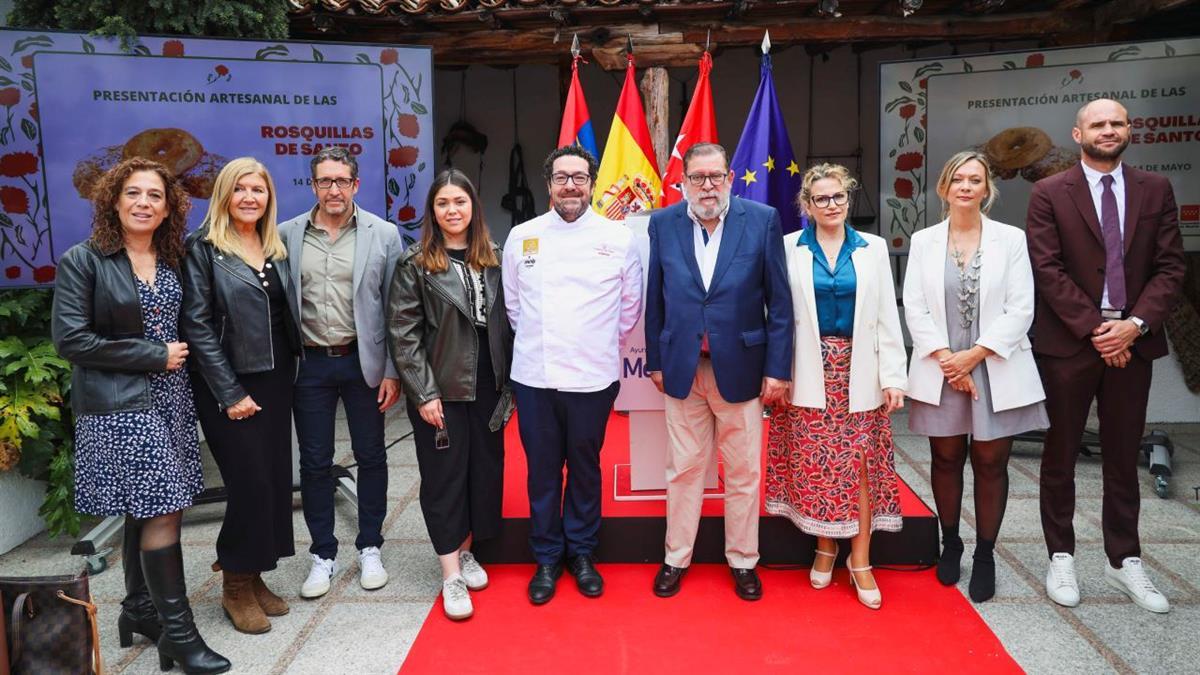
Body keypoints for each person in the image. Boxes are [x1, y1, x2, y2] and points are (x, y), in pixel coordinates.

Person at [52, 157, 229, 674]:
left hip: (169, 400)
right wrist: (153, 355)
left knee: (146, 505)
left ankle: (140, 609)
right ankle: (181, 636)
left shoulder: (172, 257)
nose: (144, 203)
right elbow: (71, 340)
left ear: (168, 206)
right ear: (113, 199)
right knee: (163, 508)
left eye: (155, 195)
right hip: (121, 404)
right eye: (133, 193)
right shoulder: (84, 260)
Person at [1026, 99, 1185, 613]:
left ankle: (1125, 560)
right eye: (1099, 123)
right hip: (1070, 344)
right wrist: (1100, 330)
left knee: (1122, 455)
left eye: (1117, 122)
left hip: (1132, 344)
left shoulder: (1155, 189)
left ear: (1129, 130)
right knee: (1061, 454)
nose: (1109, 130)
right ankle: (1061, 554)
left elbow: (1170, 267)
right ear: (1078, 133)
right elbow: (1046, 268)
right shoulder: (1049, 192)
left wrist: (1133, 327)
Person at [644, 142, 793, 601]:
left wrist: (777, 369)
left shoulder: (762, 220)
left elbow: (780, 303)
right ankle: (676, 557)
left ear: (730, 177)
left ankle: (744, 561)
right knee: (683, 470)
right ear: (682, 181)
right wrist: (654, 360)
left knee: (744, 472)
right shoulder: (663, 223)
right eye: (697, 178)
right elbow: (657, 298)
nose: (707, 186)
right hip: (683, 370)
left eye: (715, 176)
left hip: (743, 369)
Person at [904, 150, 1049, 603]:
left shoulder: (1011, 239)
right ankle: (952, 544)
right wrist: (950, 359)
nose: (966, 187)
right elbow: (915, 306)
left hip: (994, 366)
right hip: (941, 367)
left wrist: (974, 357)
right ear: (943, 188)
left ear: (987, 190)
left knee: (990, 463)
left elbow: (1021, 308)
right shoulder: (925, 239)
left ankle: (985, 554)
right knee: (946, 459)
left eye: (975, 180)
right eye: (958, 179)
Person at [502, 146, 642, 605]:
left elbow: (629, 309)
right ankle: (546, 556)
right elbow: (514, 309)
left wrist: (591, 342)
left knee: (584, 468)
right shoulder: (522, 236)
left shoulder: (618, 238)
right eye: (561, 177)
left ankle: (581, 552)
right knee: (542, 471)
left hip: (592, 377)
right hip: (535, 376)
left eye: (579, 178)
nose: (570, 186)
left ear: (592, 184)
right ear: (548, 184)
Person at [765, 163, 906, 610]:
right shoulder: (787, 247)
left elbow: (886, 314)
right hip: (806, 370)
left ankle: (860, 560)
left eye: (839, 197)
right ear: (806, 206)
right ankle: (826, 548)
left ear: (848, 200)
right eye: (821, 198)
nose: (831, 205)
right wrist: (776, 373)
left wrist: (894, 377)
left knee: (861, 466)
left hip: (860, 369)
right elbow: (775, 317)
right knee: (818, 468)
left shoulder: (874, 248)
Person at [180, 158, 300, 633]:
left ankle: (253, 576)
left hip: (275, 378)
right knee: (249, 484)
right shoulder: (203, 248)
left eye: (259, 190)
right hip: (229, 384)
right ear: (224, 195)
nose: (251, 197)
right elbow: (197, 325)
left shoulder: (273, 245)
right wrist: (229, 392)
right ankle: (233, 583)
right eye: (241, 189)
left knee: (271, 482)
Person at [387, 169, 513, 620]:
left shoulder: (496, 258)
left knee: (482, 474)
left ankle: (466, 552)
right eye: (443, 204)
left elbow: (509, 326)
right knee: (444, 479)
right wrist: (423, 392)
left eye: (459, 202)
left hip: (488, 386)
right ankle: (450, 575)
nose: (452, 211)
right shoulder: (415, 263)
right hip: (441, 386)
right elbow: (404, 334)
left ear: (473, 207)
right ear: (433, 211)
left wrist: (511, 386)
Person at [278, 146, 403, 598]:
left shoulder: (384, 234)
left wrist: (392, 369)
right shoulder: (286, 235)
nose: (333, 189)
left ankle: (370, 545)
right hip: (308, 364)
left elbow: (396, 307)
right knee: (313, 462)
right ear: (313, 186)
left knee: (371, 455)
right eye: (324, 181)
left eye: (341, 181)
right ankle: (323, 554)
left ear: (356, 184)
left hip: (363, 362)